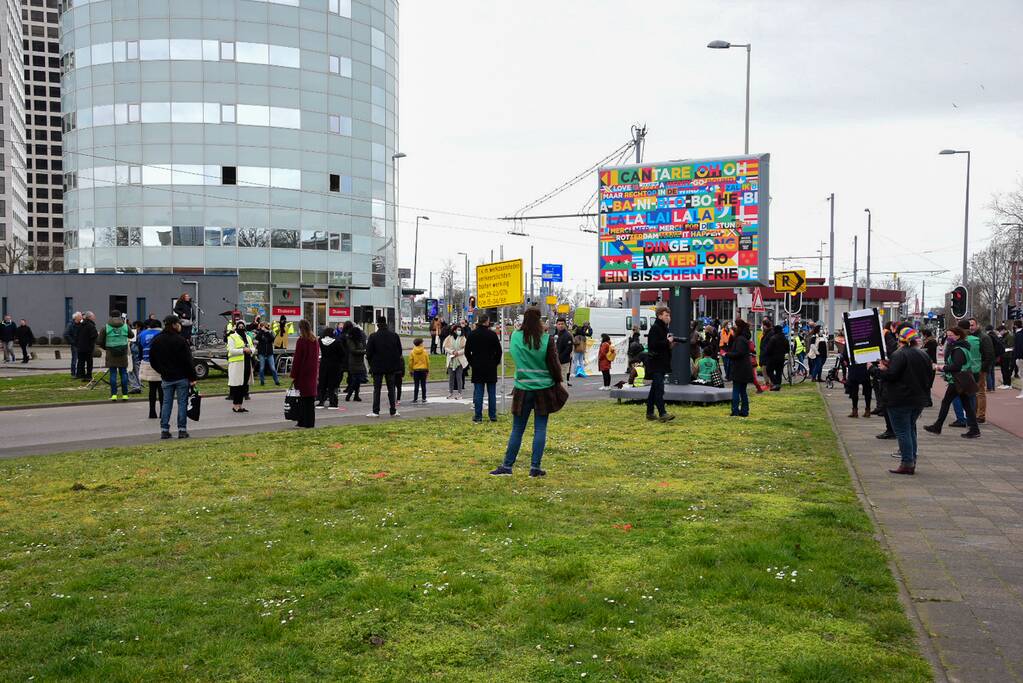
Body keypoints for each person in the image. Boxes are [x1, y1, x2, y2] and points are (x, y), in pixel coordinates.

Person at [490, 307, 562, 477]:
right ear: (539, 321)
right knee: (540, 429)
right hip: (544, 389)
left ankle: (507, 466)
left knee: (517, 429)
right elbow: (554, 365)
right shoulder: (546, 340)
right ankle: (535, 468)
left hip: (522, 389)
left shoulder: (515, 337)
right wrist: (558, 381)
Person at [871, 327, 934, 475]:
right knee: (910, 429)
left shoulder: (899, 354)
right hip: (918, 399)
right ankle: (911, 458)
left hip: (900, 398)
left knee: (903, 431)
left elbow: (892, 375)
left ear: (901, 340)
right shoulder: (923, 355)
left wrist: (874, 370)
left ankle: (907, 462)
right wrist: (889, 365)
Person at [924, 326, 980, 438]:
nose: (948, 338)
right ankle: (974, 429)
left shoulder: (958, 349)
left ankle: (938, 426)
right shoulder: (962, 347)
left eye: (951, 336)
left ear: (958, 336)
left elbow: (956, 366)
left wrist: (941, 368)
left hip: (957, 380)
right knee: (967, 405)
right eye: (948, 335)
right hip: (963, 380)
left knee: (946, 402)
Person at [147, 314, 197, 439]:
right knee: (182, 403)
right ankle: (182, 430)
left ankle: (164, 429)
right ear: (174, 325)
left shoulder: (157, 340)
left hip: (166, 377)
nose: (180, 326)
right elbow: (188, 361)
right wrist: (192, 377)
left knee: (166, 404)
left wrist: (162, 371)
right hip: (181, 377)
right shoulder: (180, 340)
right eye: (178, 324)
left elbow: (152, 360)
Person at [465, 314, 502, 422]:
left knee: (478, 393)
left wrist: (472, 362)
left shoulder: (472, 334)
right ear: (486, 322)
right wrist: (495, 362)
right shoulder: (492, 334)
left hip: (477, 366)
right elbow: (499, 351)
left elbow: (467, 351)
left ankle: (478, 416)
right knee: (492, 393)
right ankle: (492, 416)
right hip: (490, 366)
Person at [365, 317, 403, 417]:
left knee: (377, 389)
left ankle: (375, 411)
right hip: (391, 367)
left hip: (377, 366)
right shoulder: (394, 336)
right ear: (386, 324)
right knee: (391, 389)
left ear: (377, 324)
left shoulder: (373, 336)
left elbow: (368, 353)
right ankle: (393, 410)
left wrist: (371, 362)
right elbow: (399, 351)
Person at [643, 306, 676, 423]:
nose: (669, 318)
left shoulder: (663, 328)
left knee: (654, 388)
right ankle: (662, 413)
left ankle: (650, 412)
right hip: (656, 362)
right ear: (660, 315)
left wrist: (670, 344)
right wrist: (667, 342)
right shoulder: (656, 328)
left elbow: (662, 345)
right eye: (666, 315)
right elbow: (654, 345)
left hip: (661, 362)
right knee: (659, 388)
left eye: (669, 315)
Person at [290, 319, 319, 427]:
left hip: (302, 373)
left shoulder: (301, 341)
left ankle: (302, 421)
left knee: (302, 399)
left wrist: (293, 374)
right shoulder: (314, 340)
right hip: (312, 373)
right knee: (310, 400)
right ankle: (310, 422)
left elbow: (297, 359)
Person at [96, 311, 130, 399]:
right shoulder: (125, 326)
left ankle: (114, 394)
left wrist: (106, 347)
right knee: (123, 373)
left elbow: (99, 341)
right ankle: (125, 394)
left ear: (110, 316)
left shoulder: (105, 327)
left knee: (113, 373)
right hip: (122, 353)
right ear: (120, 316)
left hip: (111, 353)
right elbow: (132, 335)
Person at [727, 319, 755, 417]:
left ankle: (735, 410)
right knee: (743, 391)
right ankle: (744, 411)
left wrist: (727, 354)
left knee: (736, 390)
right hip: (745, 368)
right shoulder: (744, 338)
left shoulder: (740, 339)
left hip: (739, 368)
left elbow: (738, 353)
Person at [226, 319, 255, 413]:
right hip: (237, 365)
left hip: (246, 363)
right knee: (237, 386)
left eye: (242, 327)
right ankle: (235, 406)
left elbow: (253, 347)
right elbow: (231, 350)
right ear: (236, 327)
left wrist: (251, 351)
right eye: (239, 327)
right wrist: (243, 350)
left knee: (243, 386)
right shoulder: (232, 337)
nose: (241, 328)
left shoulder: (248, 337)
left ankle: (240, 405)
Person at [137, 319, 163, 419]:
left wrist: (141, 359)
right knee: (161, 389)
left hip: (147, 362)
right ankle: (162, 411)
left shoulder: (142, 334)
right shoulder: (162, 333)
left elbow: (139, 348)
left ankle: (152, 412)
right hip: (161, 363)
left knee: (152, 389)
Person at [967, 318, 990, 424]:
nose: (971, 327)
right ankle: (974, 413)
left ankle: (981, 415)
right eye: (969, 325)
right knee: (973, 392)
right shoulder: (969, 337)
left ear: (977, 325)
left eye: (972, 325)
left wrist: (982, 368)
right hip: (971, 368)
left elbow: (989, 354)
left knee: (980, 392)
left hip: (980, 368)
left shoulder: (983, 337)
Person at [316, 326, 345, 409]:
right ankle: (333, 402)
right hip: (334, 365)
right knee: (333, 384)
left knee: (323, 383)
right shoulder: (337, 342)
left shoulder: (320, 341)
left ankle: (321, 401)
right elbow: (342, 353)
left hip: (324, 364)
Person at [343, 322, 367, 401]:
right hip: (354, 362)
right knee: (355, 379)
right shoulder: (350, 341)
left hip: (359, 362)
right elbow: (353, 350)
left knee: (358, 380)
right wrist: (363, 351)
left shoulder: (358, 341)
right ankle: (349, 395)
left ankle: (356, 395)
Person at [443, 323, 468, 400]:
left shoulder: (463, 338)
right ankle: (451, 393)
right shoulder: (449, 338)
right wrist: (452, 351)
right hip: (451, 359)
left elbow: (466, 348)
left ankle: (459, 393)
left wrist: (458, 352)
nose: (459, 331)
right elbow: (445, 347)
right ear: (454, 330)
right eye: (458, 330)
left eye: (460, 330)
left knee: (459, 377)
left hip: (459, 360)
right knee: (451, 377)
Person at [763, 324, 789, 391]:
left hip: (772, 358)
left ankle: (775, 383)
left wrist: (766, 354)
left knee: (769, 370)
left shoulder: (773, 338)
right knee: (779, 372)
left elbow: (769, 349)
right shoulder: (785, 338)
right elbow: (787, 349)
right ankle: (778, 385)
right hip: (781, 358)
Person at [75, 311, 98, 380]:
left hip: (80, 347)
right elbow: (94, 336)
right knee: (89, 362)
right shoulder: (91, 325)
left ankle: (80, 374)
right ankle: (88, 376)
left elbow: (77, 335)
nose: (94, 318)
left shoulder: (80, 324)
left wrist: (77, 343)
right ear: (90, 317)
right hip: (88, 347)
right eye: (93, 316)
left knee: (81, 361)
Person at [552, 319, 574, 386]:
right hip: (556, 361)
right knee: (557, 379)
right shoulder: (556, 335)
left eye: (562, 324)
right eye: (559, 324)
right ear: (556, 325)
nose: (560, 325)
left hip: (563, 361)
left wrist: (559, 359)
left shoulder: (567, 335)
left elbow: (568, 349)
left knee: (562, 379)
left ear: (565, 325)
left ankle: (563, 395)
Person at [409, 337, 430, 403]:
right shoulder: (424, 351)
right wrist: (427, 369)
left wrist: (410, 370)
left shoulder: (412, 352)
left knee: (416, 385)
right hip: (423, 369)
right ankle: (424, 398)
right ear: (420, 344)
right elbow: (427, 361)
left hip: (416, 370)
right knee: (423, 385)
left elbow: (410, 362)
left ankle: (415, 398)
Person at [63, 312, 82, 377]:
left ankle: (79, 373)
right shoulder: (70, 325)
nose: (81, 317)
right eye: (80, 316)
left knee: (81, 359)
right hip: (75, 345)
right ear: (76, 317)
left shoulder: (81, 324)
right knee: (75, 359)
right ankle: (73, 373)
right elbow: (66, 334)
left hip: (81, 344)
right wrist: (72, 342)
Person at [127, 321, 144, 393]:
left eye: (134, 326)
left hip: (134, 351)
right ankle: (138, 384)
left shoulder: (137, 333)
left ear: (137, 326)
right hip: (138, 352)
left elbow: (133, 341)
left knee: (130, 369)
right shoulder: (143, 333)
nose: (133, 328)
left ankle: (135, 386)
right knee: (137, 369)